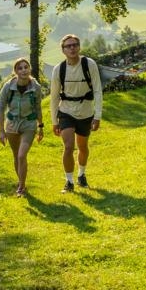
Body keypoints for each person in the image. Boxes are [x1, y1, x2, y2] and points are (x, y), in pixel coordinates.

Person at [50, 34, 102, 193]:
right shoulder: (59, 69)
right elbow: (53, 97)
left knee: (83, 147)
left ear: (79, 47)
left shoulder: (89, 64)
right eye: (68, 46)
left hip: (86, 111)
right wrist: (54, 121)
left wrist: (97, 116)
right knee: (68, 146)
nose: (72, 48)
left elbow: (98, 90)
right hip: (66, 111)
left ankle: (81, 175)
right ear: (63, 50)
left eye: (75, 45)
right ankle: (69, 181)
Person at [0, 57, 42, 196]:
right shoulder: (8, 87)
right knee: (16, 156)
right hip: (11, 125)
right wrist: (1, 131)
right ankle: (21, 181)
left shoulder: (36, 87)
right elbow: (0, 109)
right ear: (15, 71)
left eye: (26, 67)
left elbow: (38, 108)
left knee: (22, 155)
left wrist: (41, 127)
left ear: (29, 69)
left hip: (29, 124)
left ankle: (21, 187)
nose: (23, 70)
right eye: (20, 68)